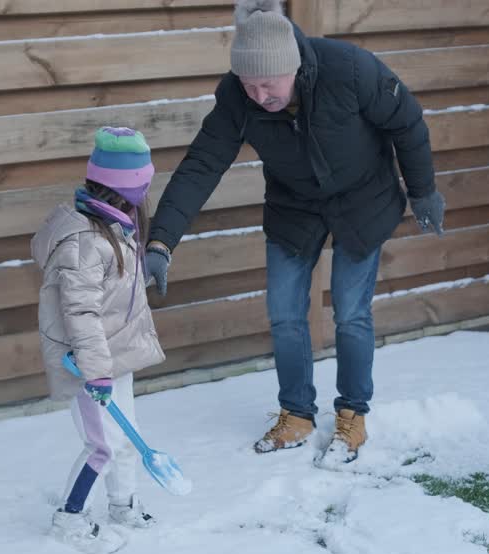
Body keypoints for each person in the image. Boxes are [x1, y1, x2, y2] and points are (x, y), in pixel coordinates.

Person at [144, 0, 445, 464]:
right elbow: (201, 165)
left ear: (294, 66)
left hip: (362, 200)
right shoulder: (236, 99)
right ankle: (297, 412)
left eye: (269, 84)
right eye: (250, 85)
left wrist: (423, 191)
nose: (260, 96)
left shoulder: (350, 70)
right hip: (294, 206)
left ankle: (352, 414)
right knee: (284, 312)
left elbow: (407, 120)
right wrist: (162, 241)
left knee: (350, 311)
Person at [30, 127, 166, 553]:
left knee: (125, 435)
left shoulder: (112, 226)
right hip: (89, 364)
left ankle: (122, 503)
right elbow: (81, 314)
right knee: (101, 445)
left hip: (112, 357)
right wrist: (96, 371)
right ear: (134, 188)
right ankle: (69, 518)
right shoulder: (86, 241)